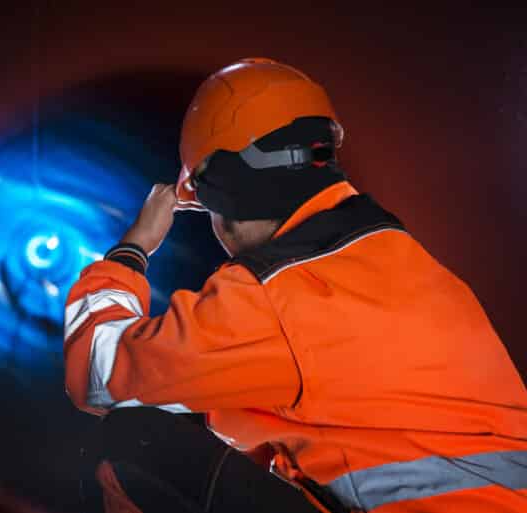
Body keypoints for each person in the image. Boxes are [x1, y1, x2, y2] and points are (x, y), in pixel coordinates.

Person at [63, 58, 527, 512]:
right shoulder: (400, 258)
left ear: (218, 194)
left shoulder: (274, 295)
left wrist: (133, 249)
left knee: (133, 435)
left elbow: (98, 374)